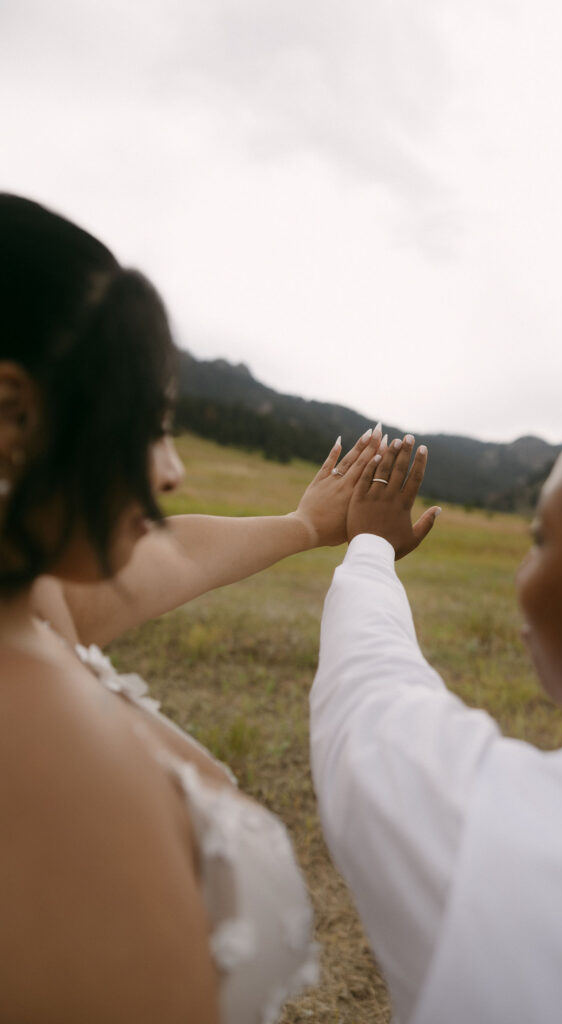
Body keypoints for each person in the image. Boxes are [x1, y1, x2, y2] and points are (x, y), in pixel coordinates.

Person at [0, 193, 384, 1023]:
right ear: (12, 413)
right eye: (146, 426)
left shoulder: (30, 604)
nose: (170, 471)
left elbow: (148, 567)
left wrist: (304, 524)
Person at [310, 400, 562, 1024]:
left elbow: (367, 697)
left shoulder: (501, 842)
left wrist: (371, 544)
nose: (522, 573)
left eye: (541, 540)